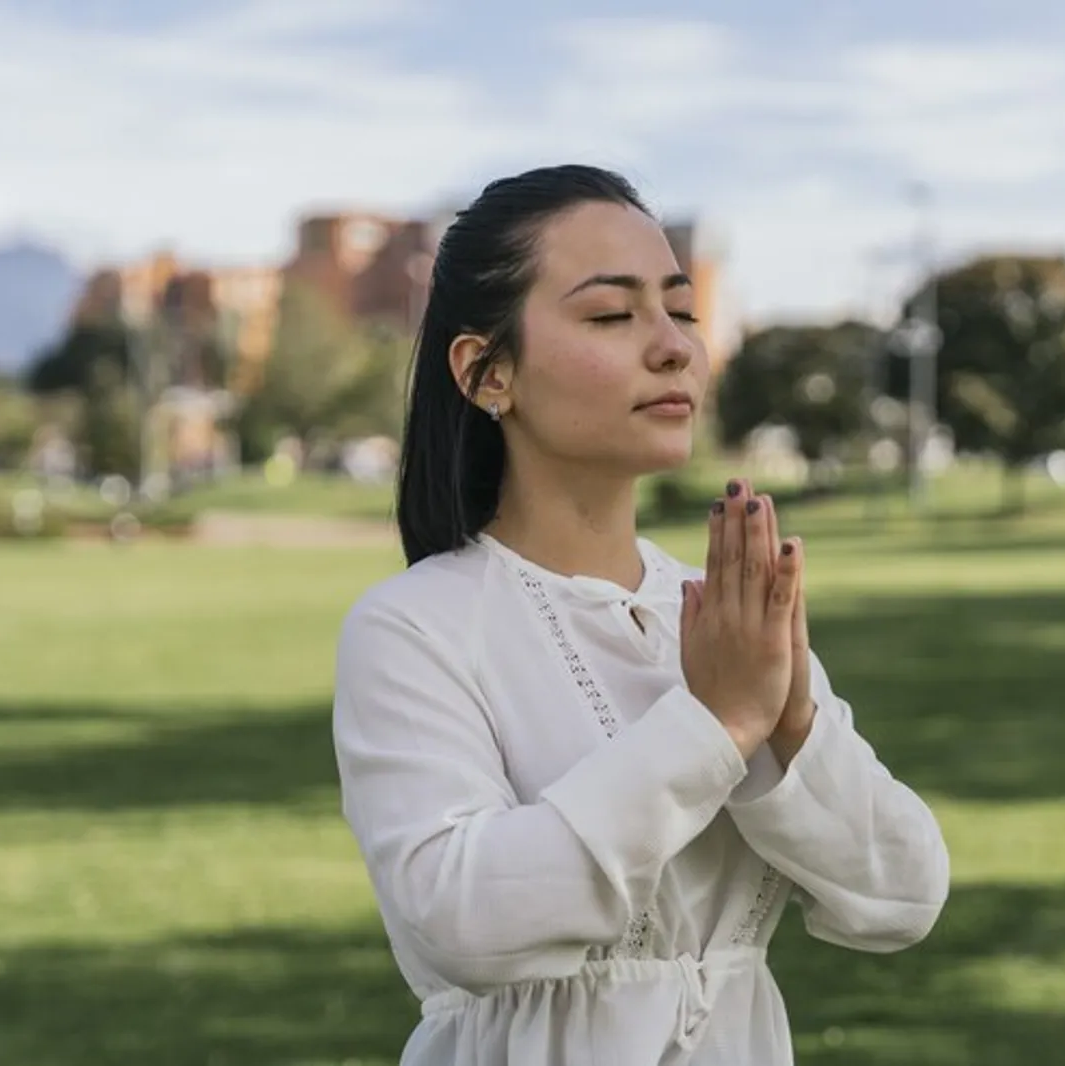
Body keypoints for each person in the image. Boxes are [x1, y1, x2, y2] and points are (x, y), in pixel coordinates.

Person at [331, 164, 950, 1066]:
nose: (672, 348)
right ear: (486, 371)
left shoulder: (721, 618)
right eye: (612, 315)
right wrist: (716, 728)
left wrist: (791, 724)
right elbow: (460, 923)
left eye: (682, 311)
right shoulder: (415, 627)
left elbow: (902, 896)